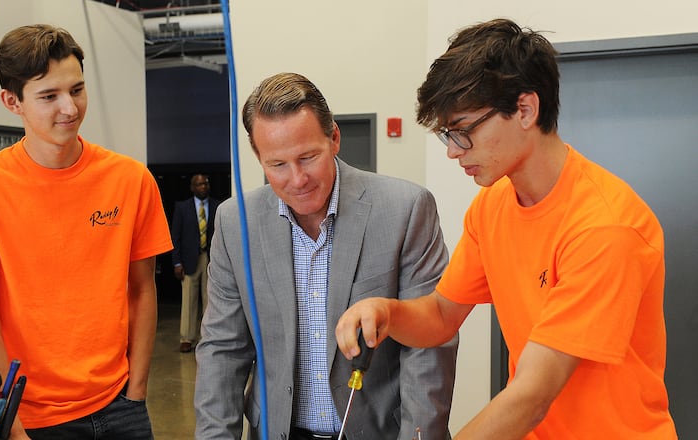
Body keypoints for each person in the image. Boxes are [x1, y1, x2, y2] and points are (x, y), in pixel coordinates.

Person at [335, 18, 677, 439]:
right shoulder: (493, 206)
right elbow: (442, 315)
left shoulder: (605, 227)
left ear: (525, 110)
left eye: (463, 132)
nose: (454, 152)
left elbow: (532, 396)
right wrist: (386, 312)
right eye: (448, 135)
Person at [0, 24, 172, 440]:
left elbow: (142, 289)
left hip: (121, 408)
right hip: (29, 417)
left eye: (76, 90)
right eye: (48, 96)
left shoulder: (130, 180)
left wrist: (137, 390)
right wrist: (10, 421)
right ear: (12, 102)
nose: (70, 108)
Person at [195, 72, 458, 440]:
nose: (297, 179)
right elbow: (223, 350)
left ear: (334, 138)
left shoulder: (406, 210)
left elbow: (428, 347)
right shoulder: (235, 222)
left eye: (308, 157)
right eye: (278, 165)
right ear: (258, 156)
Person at [170, 173, 220, 353]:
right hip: (189, 260)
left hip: (210, 259)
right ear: (192, 187)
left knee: (210, 300)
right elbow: (175, 236)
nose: (203, 187)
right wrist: (176, 262)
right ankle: (187, 338)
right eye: (198, 184)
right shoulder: (182, 207)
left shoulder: (217, 206)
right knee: (189, 299)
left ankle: (207, 337)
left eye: (205, 183)